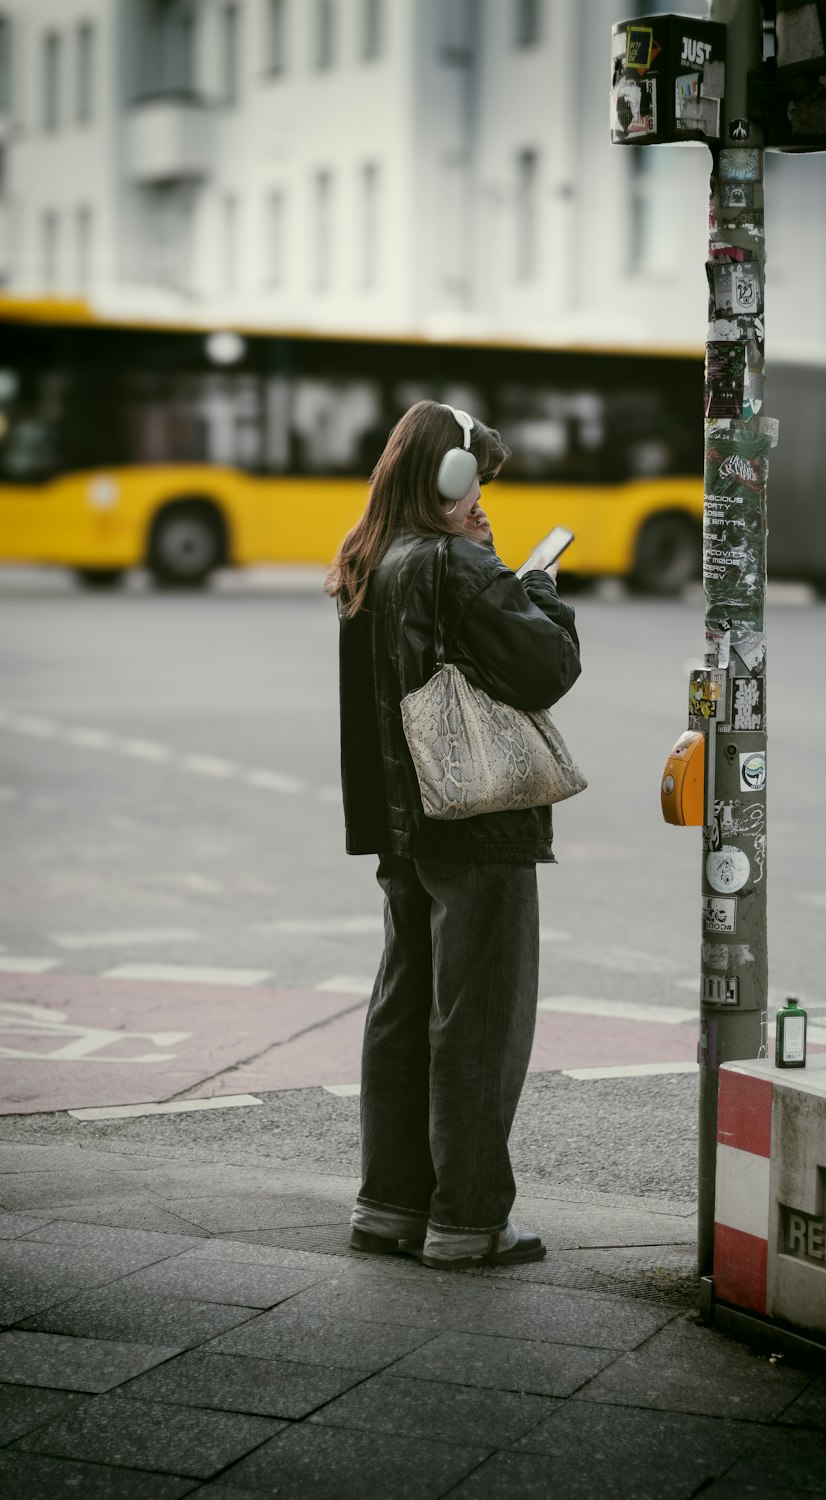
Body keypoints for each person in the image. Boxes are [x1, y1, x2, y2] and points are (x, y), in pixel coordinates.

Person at [326, 400, 582, 1270]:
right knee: (478, 1021)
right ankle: (470, 1218)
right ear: (451, 477)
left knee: (404, 1006)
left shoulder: (372, 557)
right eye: (479, 479)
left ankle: (391, 1205)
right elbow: (545, 668)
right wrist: (536, 587)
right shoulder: (456, 566)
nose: (484, 496)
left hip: (405, 828)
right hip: (475, 820)